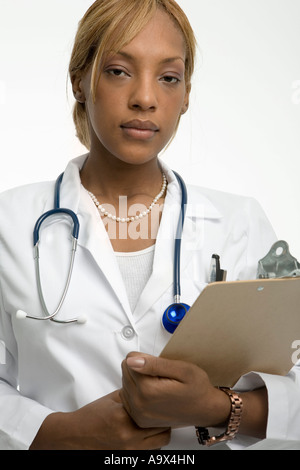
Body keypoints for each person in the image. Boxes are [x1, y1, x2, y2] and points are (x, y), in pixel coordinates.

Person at [0, 0, 299, 450]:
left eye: (168, 77)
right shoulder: (10, 223)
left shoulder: (238, 224)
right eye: (119, 71)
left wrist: (216, 407)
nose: (145, 97)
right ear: (80, 81)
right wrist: (55, 434)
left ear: (185, 95)